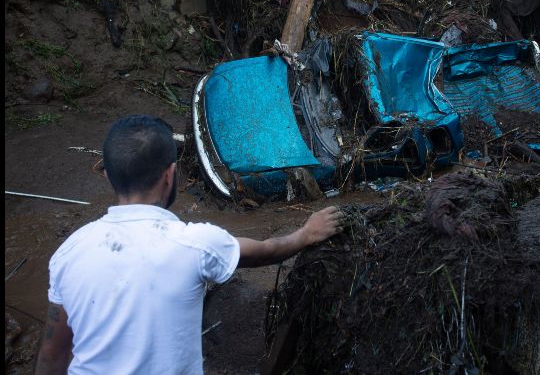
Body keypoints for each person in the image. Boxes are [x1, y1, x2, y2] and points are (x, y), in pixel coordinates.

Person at [34, 114, 344, 374]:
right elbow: (265, 252)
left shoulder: (69, 252)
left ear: (108, 176)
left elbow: (51, 356)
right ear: (170, 175)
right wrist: (306, 234)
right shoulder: (196, 244)